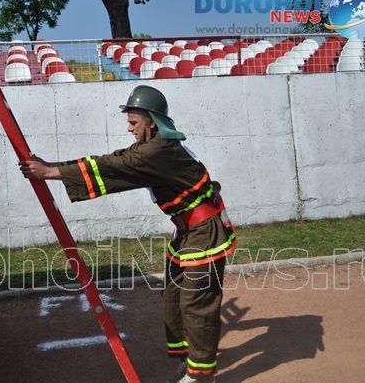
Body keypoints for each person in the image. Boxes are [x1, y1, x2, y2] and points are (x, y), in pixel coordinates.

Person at [19, 85, 238, 382]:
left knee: (197, 303)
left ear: (152, 122)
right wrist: (52, 167)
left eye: (134, 122)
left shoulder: (157, 151)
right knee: (174, 297)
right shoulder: (155, 145)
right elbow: (116, 159)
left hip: (205, 232)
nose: (129, 127)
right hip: (188, 231)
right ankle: (192, 359)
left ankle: (201, 375)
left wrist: (49, 173)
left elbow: (114, 165)